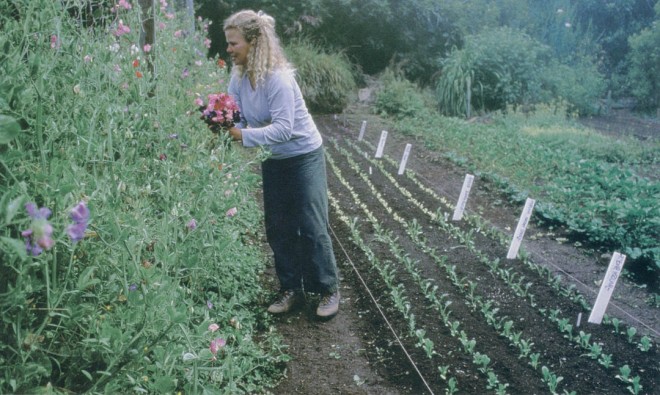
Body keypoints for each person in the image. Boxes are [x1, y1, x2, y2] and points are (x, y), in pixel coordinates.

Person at [222, 10, 340, 318]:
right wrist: (219, 119)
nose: (229, 49)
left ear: (254, 42)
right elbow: (237, 115)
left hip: (303, 155)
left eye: (234, 43)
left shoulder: (279, 79)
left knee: (311, 224)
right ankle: (291, 289)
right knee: (278, 226)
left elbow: (284, 129)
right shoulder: (238, 78)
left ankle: (327, 289)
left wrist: (240, 134)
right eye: (228, 43)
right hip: (273, 158)